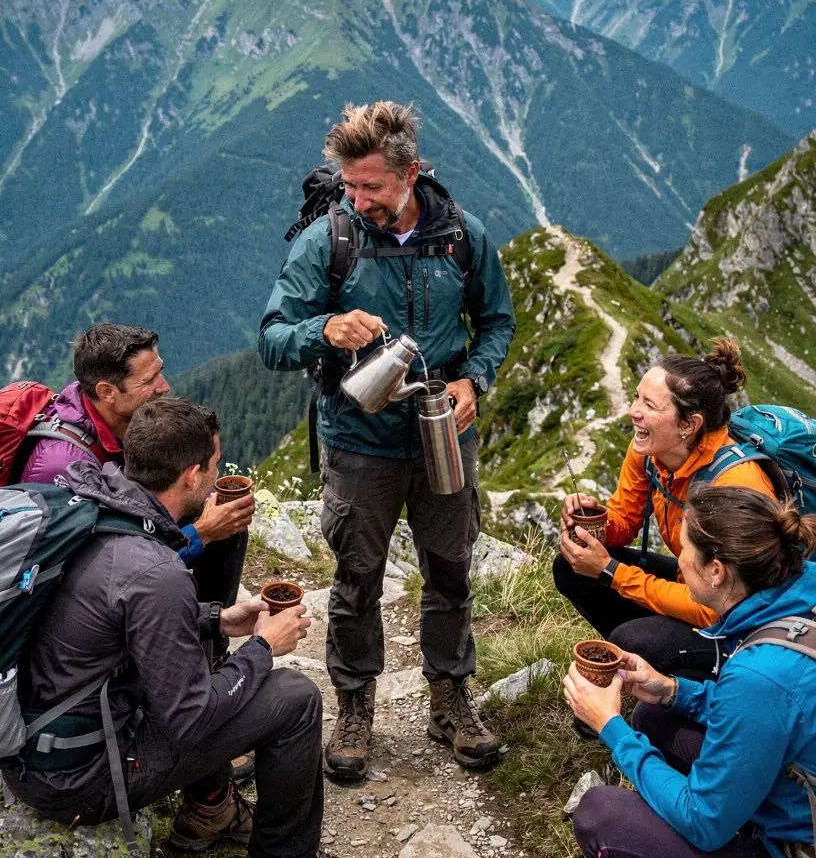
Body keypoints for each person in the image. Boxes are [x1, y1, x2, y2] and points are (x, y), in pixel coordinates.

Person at [3, 397, 375, 858]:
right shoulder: (156, 572)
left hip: (41, 748)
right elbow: (191, 718)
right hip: (79, 781)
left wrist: (214, 618)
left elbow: (106, 618)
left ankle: (211, 812)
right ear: (192, 474)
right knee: (294, 698)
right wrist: (264, 647)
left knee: (201, 653)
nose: (219, 474)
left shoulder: (95, 505)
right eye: (216, 465)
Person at [259, 101, 515, 779]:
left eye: (371, 186)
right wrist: (326, 329)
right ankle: (353, 705)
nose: (357, 198)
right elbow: (273, 339)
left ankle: (451, 698)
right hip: (357, 440)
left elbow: (496, 322)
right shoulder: (329, 240)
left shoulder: (463, 239)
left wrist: (474, 382)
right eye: (349, 185)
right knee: (355, 579)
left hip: (441, 432)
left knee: (451, 568)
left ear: (410, 174)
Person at [563, 486, 816, 858]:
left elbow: (704, 821)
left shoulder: (762, 676)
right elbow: (770, 718)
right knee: (657, 718)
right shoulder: (797, 597)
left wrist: (610, 728)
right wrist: (672, 690)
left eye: (683, 549)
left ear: (717, 570)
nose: (676, 558)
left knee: (601, 817)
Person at [554, 337, 776, 681]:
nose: (633, 411)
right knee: (571, 566)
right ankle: (651, 661)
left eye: (650, 405)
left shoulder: (736, 485)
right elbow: (625, 521)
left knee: (629, 638)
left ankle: (687, 674)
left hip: (743, 626)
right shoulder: (648, 452)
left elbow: (714, 606)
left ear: (689, 425)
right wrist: (594, 524)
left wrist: (611, 572)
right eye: (636, 398)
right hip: (695, 582)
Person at [22, 324, 254, 611]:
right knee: (212, 532)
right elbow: (98, 574)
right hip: (79, 597)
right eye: (149, 380)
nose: (164, 386)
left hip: (121, 540)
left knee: (228, 528)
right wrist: (201, 533)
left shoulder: (118, 419)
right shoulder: (63, 466)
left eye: (160, 371)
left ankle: (212, 639)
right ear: (107, 391)